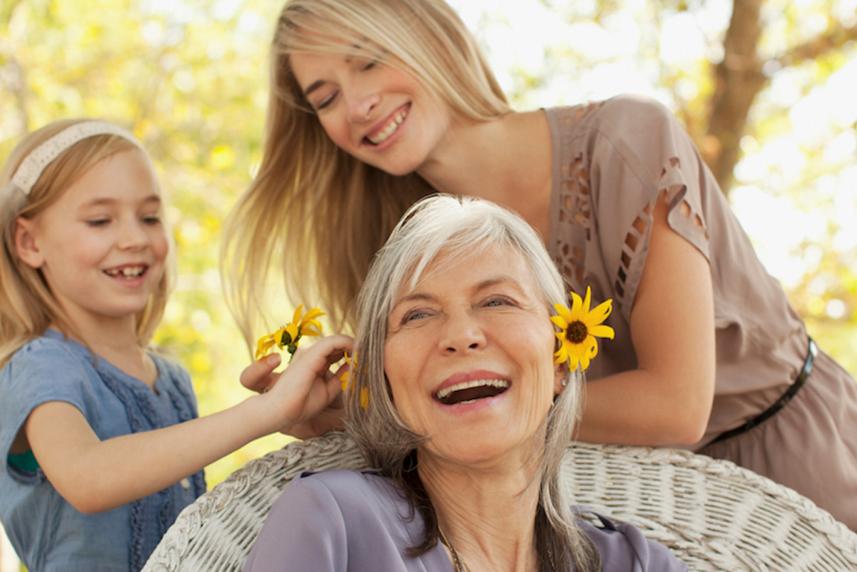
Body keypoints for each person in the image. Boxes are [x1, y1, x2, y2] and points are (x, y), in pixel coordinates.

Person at [221, 0, 857, 529]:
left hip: (794, 469)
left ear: (431, 37)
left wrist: (451, 409)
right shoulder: (407, 250)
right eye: (327, 97)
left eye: (368, 59)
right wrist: (344, 415)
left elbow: (676, 404)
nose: (356, 104)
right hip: (617, 511)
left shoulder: (627, 142)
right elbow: (438, 434)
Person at [244, 195, 686, 571]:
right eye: (417, 314)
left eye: (497, 301)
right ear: (384, 379)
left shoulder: (631, 562)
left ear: (560, 362)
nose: (460, 336)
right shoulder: (331, 521)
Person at [0, 119, 350, 571]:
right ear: (29, 242)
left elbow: (194, 537)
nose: (135, 238)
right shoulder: (38, 364)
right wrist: (264, 412)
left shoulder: (172, 380)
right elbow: (87, 478)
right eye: (100, 220)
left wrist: (311, 421)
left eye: (149, 217)